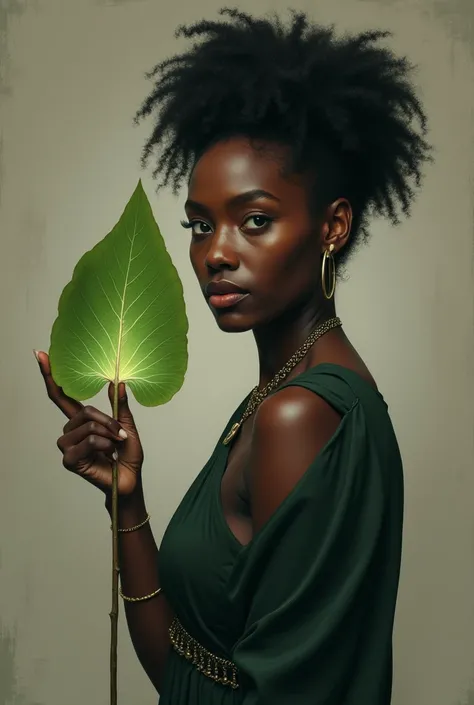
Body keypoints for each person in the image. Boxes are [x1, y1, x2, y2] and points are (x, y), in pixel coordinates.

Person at [35, 8, 431, 705]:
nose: (215, 253)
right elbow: (195, 671)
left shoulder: (301, 415)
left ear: (332, 226)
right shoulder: (281, 392)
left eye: (254, 220)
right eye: (199, 224)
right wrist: (127, 498)